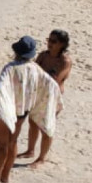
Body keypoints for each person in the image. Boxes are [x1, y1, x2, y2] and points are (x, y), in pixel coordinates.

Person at [0, 36, 60, 183]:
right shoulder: (36, 69)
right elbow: (51, 86)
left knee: (1, 146)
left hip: (6, 112)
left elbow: (0, 88)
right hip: (22, 114)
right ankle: (5, 176)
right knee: (13, 142)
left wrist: (0, 102)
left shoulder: (10, 68)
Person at [18, 30, 72, 169]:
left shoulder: (65, 61)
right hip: (38, 93)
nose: (50, 44)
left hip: (52, 97)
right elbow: (33, 71)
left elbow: (56, 80)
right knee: (33, 122)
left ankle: (42, 158)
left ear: (62, 44)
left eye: (54, 41)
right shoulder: (43, 55)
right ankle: (30, 150)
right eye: (49, 40)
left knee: (47, 127)